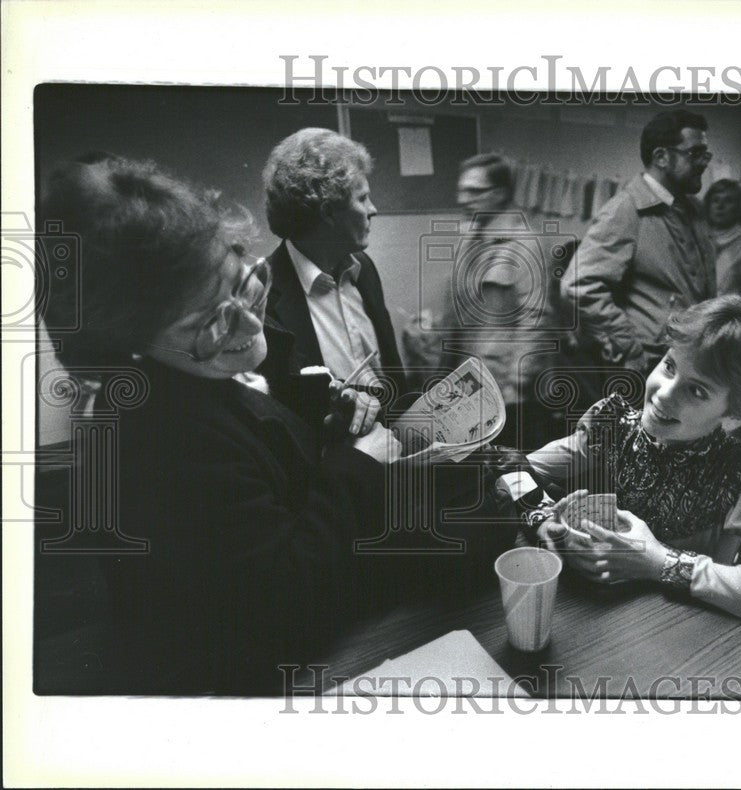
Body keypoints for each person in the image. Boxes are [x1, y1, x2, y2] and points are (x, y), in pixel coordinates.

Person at [38, 155, 511, 694]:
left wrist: (328, 429)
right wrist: (357, 463)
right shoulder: (155, 437)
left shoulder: (202, 372)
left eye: (243, 284)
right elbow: (277, 606)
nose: (248, 320)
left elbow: (262, 472)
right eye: (208, 323)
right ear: (130, 343)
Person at [522, 296, 741, 632]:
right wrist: (543, 518)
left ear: (734, 413)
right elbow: (505, 467)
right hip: (588, 618)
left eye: (697, 391)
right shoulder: (612, 426)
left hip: (677, 634)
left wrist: (660, 563)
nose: (664, 394)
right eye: (669, 366)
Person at [258, 128, 407, 426]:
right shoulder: (263, 296)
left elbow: (389, 377)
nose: (373, 210)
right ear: (328, 212)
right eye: (362, 199)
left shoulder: (363, 268)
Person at [560, 110, 716, 377]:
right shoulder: (626, 210)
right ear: (661, 157)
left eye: (705, 154)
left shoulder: (692, 210)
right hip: (647, 363)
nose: (703, 162)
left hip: (687, 356)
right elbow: (578, 285)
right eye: (695, 153)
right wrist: (628, 347)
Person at [437, 153, 561, 449]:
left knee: (512, 473)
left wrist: (515, 386)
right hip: (469, 381)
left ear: (500, 193)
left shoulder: (524, 243)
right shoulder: (469, 238)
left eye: (474, 191)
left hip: (507, 388)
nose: (463, 198)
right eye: (462, 189)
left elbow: (536, 318)